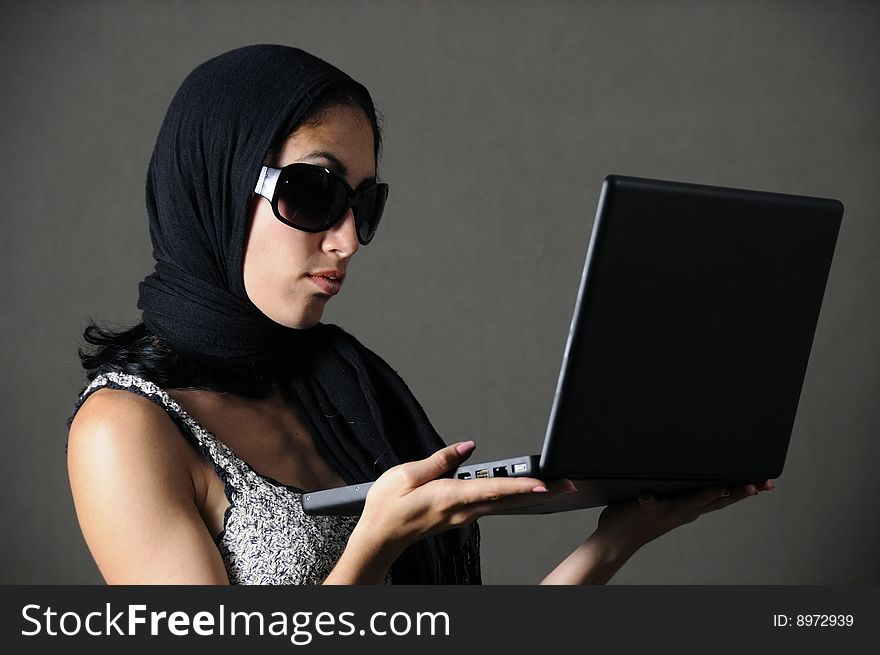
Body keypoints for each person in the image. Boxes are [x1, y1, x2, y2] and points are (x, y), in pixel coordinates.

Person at [66, 44, 773, 585]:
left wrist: (618, 537)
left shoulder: (339, 388)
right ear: (213, 184)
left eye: (364, 205)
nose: (345, 239)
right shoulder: (124, 431)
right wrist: (378, 544)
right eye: (314, 192)